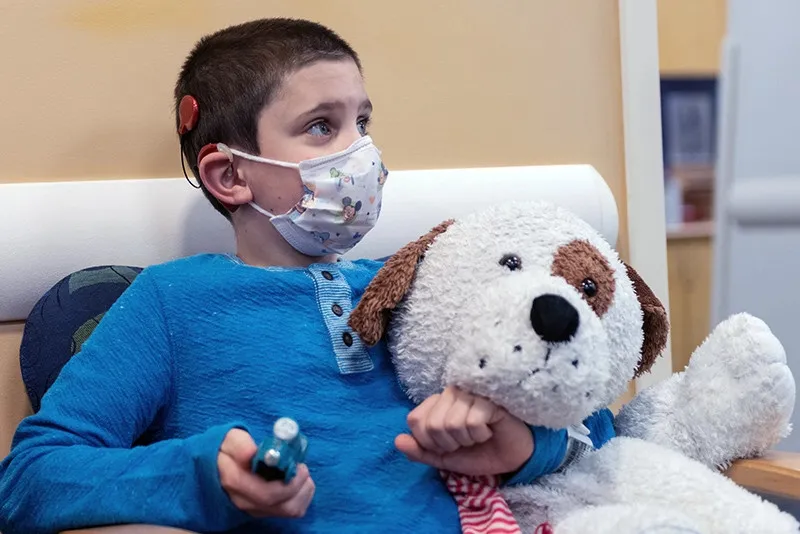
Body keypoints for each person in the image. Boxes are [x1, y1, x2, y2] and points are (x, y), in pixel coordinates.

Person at [0, 18, 615, 534]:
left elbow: (586, 407)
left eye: (363, 123)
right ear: (230, 177)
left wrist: (526, 448)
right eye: (323, 126)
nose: (362, 153)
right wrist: (201, 474)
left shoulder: (427, 283)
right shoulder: (170, 302)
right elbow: (30, 477)